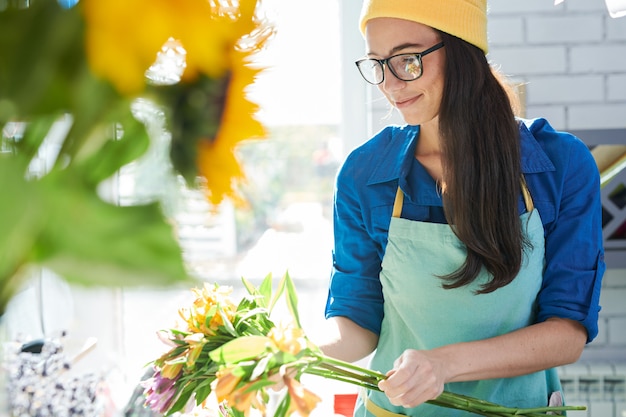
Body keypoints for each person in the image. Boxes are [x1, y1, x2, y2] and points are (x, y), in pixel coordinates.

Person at [319, 0, 606, 416]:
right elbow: (357, 318)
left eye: (407, 60)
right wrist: (286, 352)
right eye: (378, 64)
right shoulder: (365, 174)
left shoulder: (559, 166)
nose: (391, 84)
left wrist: (442, 365)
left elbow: (566, 333)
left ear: (462, 49)